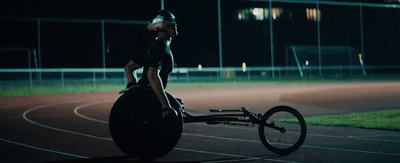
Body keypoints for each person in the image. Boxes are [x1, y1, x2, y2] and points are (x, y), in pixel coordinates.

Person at [124, 10, 179, 118]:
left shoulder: (155, 46)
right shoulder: (161, 47)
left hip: (146, 94)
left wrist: (133, 88)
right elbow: (152, 75)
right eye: (172, 24)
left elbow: (129, 68)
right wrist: (165, 106)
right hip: (150, 98)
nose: (175, 26)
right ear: (163, 28)